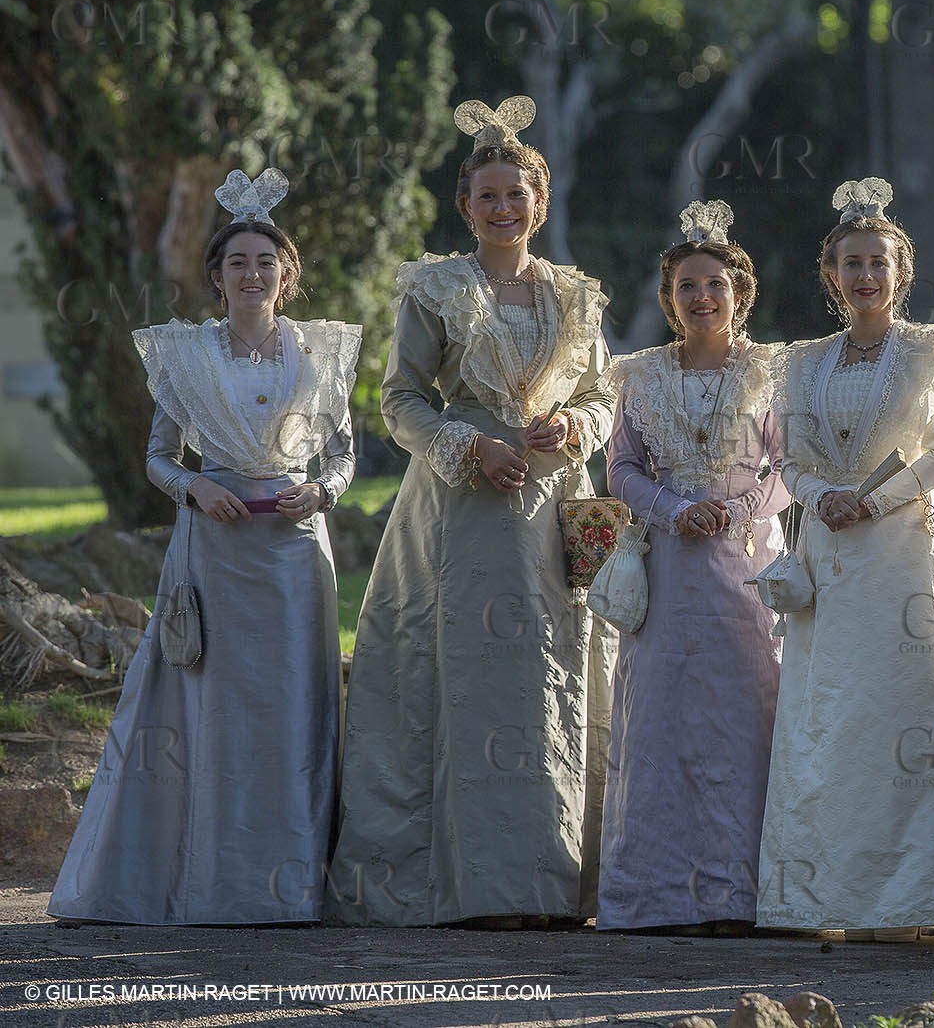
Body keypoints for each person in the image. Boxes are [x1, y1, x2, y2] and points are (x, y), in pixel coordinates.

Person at [327, 97, 615, 927]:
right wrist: (466, 445)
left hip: (554, 499)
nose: (502, 209)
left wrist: (571, 424)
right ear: (465, 206)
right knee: (467, 683)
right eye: (487, 196)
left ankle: (555, 886)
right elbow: (400, 402)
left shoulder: (573, 295)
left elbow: (601, 397)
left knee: (550, 679)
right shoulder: (436, 288)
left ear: (540, 203)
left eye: (515, 196)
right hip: (460, 505)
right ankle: (474, 885)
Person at [49, 168, 361, 924]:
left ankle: (293, 884)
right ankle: (209, 877)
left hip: (293, 550)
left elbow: (346, 453)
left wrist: (323, 491)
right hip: (214, 550)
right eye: (236, 263)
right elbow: (158, 457)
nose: (252, 274)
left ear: (287, 274)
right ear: (216, 276)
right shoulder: (186, 356)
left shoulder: (320, 353)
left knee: (295, 704)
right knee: (210, 702)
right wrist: (197, 487)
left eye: (265, 261)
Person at [757, 178, 934, 940]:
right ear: (831, 275)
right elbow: (790, 456)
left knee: (907, 709)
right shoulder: (801, 361)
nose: (866, 277)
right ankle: (825, 901)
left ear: (901, 271)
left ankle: (914, 902)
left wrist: (873, 502)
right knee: (829, 716)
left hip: (905, 550)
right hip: (831, 552)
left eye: (878, 262)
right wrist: (821, 498)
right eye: (852, 263)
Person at [597, 200, 790, 934]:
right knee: (662, 720)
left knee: (744, 716)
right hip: (669, 570)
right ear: (668, 298)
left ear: (740, 293)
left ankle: (741, 896)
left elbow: (792, 465)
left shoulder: (771, 372)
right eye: (687, 286)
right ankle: (657, 896)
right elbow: (620, 466)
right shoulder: (641, 375)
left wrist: (739, 511)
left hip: (744, 565)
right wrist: (675, 509)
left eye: (716, 284)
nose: (703, 296)